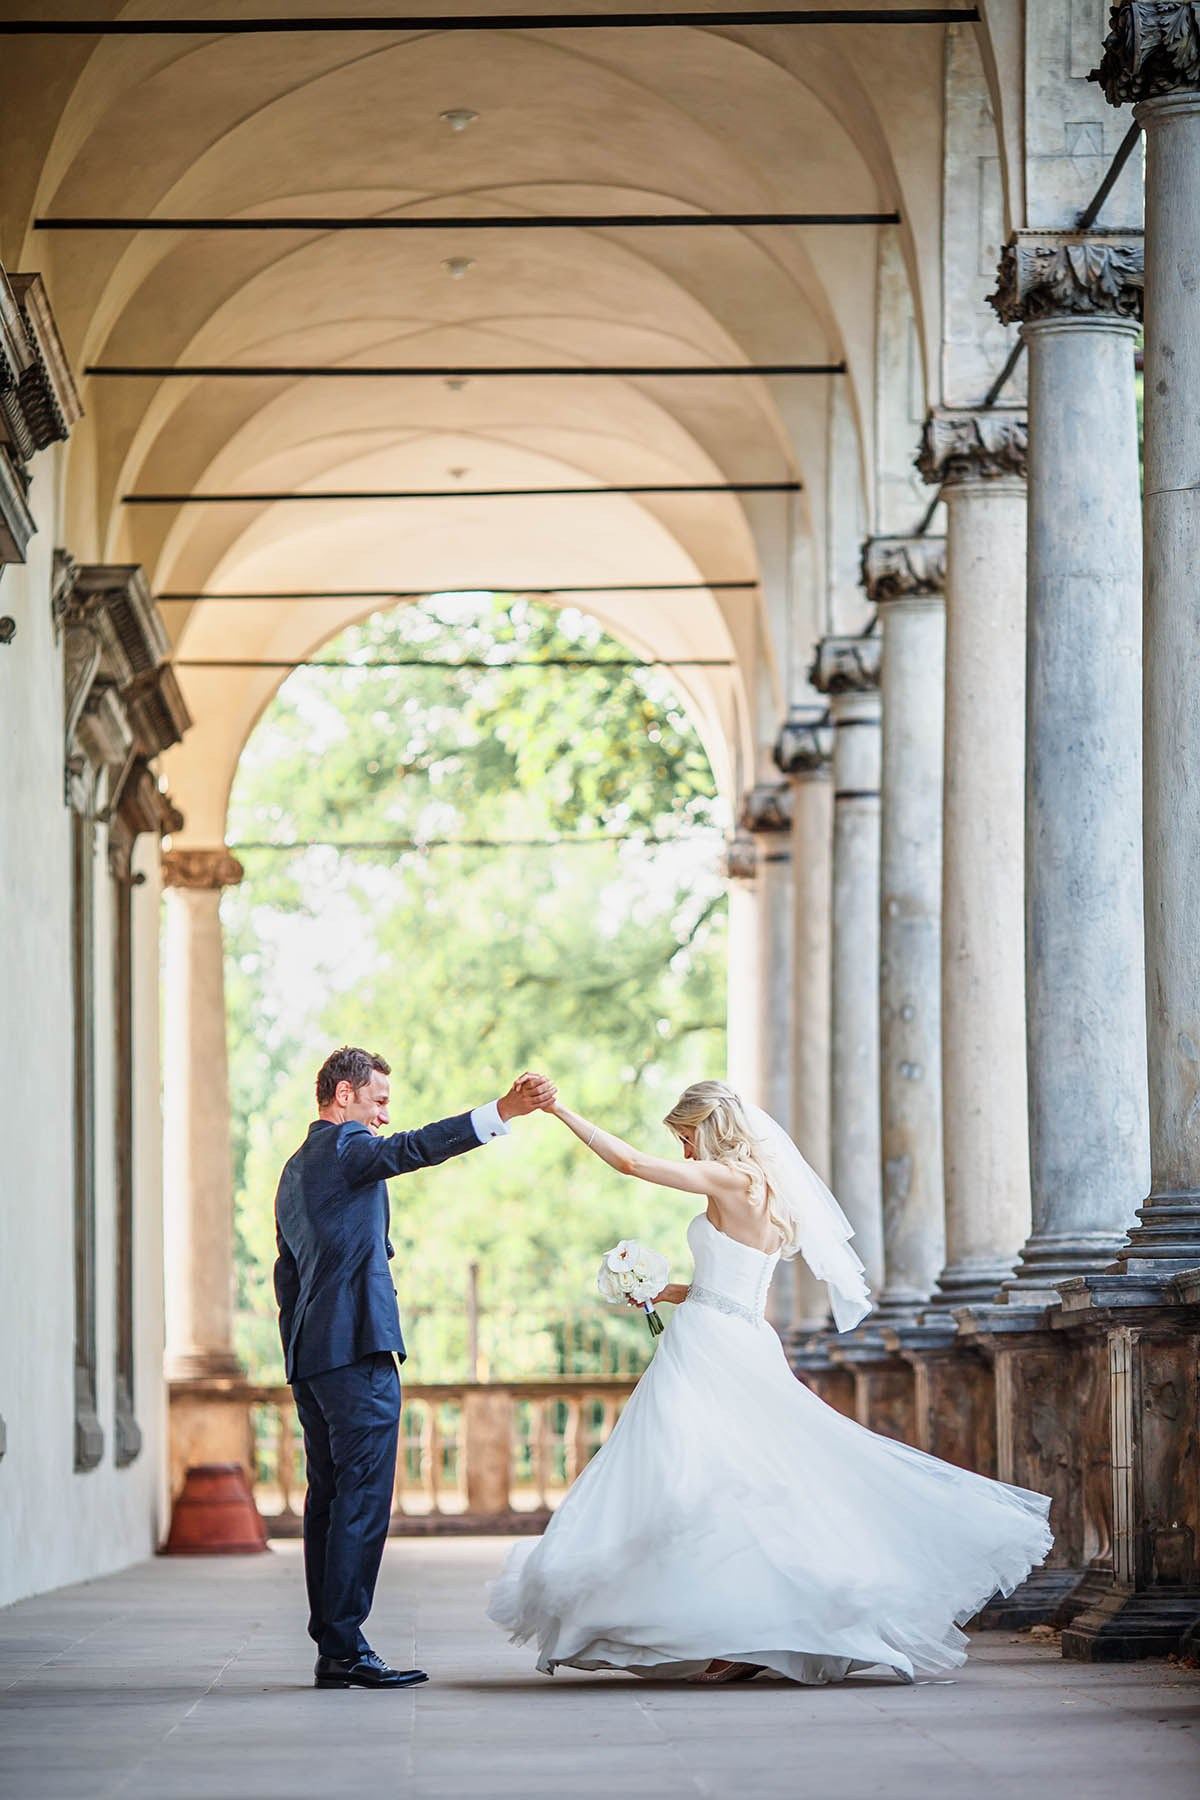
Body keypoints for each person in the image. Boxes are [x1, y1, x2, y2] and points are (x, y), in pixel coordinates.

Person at [489, 1079, 1052, 1685]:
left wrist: (557, 1109)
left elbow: (628, 1163)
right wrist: (661, 1288)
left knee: (700, 1476)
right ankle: (736, 1628)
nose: (683, 1153)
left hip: (711, 1344)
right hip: (735, 1331)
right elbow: (733, 1278)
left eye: (685, 1138)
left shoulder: (732, 1179)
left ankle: (740, 1631)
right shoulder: (768, 1187)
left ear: (708, 1128)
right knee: (731, 1476)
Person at [274, 1046, 555, 1690]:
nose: (381, 1118)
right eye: (376, 1102)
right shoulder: (346, 1149)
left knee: (329, 1500)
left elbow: (285, 1274)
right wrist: (501, 1112)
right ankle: (344, 1647)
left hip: (313, 1358)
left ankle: (334, 1646)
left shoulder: (294, 1171)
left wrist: (301, 1348)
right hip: (357, 1354)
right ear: (343, 1095)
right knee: (363, 1502)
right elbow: (413, 1149)